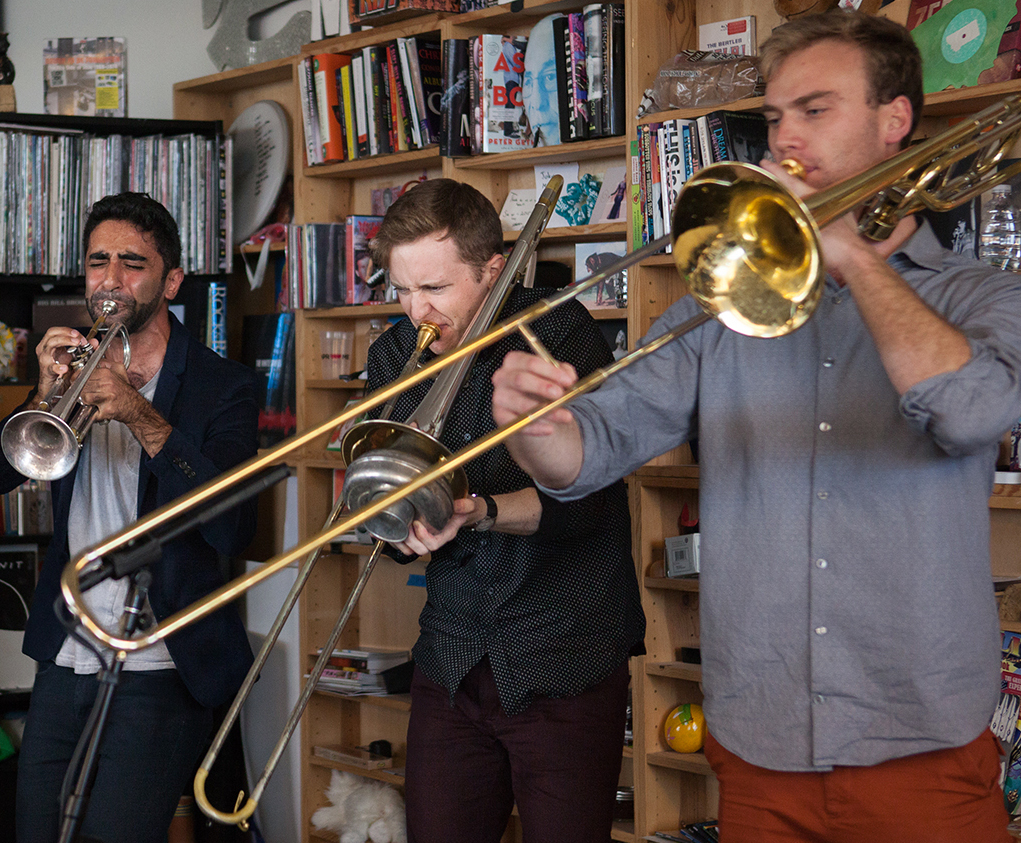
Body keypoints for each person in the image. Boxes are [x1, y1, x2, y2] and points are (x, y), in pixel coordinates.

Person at [492, 12, 1021, 843]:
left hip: (921, 750)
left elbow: (972, 414)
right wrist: (533, 421)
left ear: (895, 123)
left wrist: (851, 255)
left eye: (815, 110)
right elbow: (585, 453)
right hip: (761, 749)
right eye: (775, 118)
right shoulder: (722, 307)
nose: (784, 140)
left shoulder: (977, 296)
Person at [360, 178, 643, 843]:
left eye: (434, 288)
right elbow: (388, 504)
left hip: (564, 654)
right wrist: (402, 524)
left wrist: (477, 509)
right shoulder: (394, 357)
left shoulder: (560, 334)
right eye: (401, 289)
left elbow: (589, 504)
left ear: (493, 269)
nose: (415, 310)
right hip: (452, 657)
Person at [0, 192, 257, 843]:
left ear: (172, 280)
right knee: (38, 832)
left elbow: (234, 527)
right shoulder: (72, 364)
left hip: (161, 660)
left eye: (132, 262)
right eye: (98, 260)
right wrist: (43, 395)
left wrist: (135, 409)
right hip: (68, 651)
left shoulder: (223, 385)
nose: (111, 278)